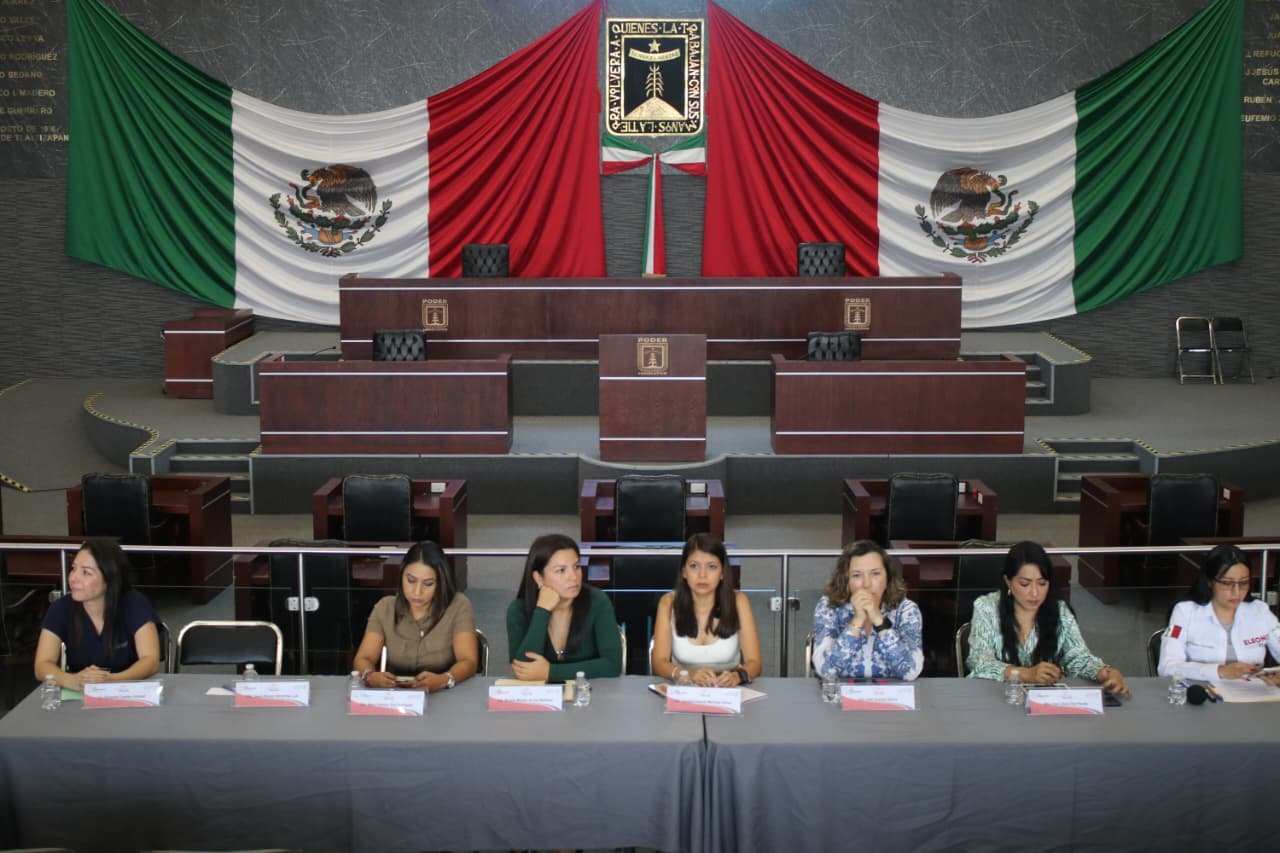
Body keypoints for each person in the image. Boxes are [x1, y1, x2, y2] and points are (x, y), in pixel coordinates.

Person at [967, 540, 1130, 695]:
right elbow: (979, 661)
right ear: (1008, 582)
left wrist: (1103, 672)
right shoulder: (986, 608)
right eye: (1025, 584)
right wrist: (1026, 674)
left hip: (1045, 701)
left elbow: (1077, 657)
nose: (1035, 593)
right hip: (997, 697)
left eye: (1042, 583)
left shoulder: (1059, 610)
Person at [33, 539, 161, 690]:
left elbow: (150, 660)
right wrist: (73, 680)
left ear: (109, 579)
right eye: (73, 568)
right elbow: (42, 665)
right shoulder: (61, 608)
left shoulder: (134, 603)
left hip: (129, 690)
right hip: (81, 693)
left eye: (86, 572)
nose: (73, 578)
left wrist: (111, 680)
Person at [353, 540, 478, 691]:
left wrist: (444, 680)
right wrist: (369, 675)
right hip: (395, 693)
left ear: (441, 583)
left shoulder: (458, 605)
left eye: (428, 584)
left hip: (445, 692)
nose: (417, 592)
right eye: (411, 581)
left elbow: (468, 661)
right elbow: (364, 658)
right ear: (401, 576)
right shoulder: (385, 607)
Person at [1158, 543, 1280, 684]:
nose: (1236, 592)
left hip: (1253, 693)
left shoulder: (1260, 611)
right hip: (1202, 692)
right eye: (1227, 583)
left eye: (1243, 583)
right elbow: (1167, 666)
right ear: (1209, 581)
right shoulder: (1185, 612)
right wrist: (1219, 671)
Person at [650, 533, 762, 686]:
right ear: (684, 572)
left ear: (722, 573)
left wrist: (737, 676)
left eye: (712, 567)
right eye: (694, 566)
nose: (702, 575)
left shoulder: (738, 601)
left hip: (729, 691)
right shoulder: (668, 603)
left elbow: (755, 663)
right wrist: (687, 675)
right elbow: (658, 663)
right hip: (683, 690)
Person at [507, 533, 622, 680]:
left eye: (576, 566)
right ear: (539, 578)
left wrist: (550, 672)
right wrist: (542, 612)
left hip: (590, 691)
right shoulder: (518, 611)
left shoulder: (597, 601)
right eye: (561, 570)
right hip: (539, 694)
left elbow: (612, 665)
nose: (573, 577)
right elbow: (523, 669)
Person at [811, 539, 924, 680]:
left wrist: (879, 621)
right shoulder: (829, 606)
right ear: (846, 581)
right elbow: (826, 671)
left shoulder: (907, 610)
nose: (867, 584)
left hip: (890, 693)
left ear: (887, 579)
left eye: (875, 573)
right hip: (842, 692)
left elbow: (910, 672)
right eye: (857, 575)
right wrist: (857, 621)